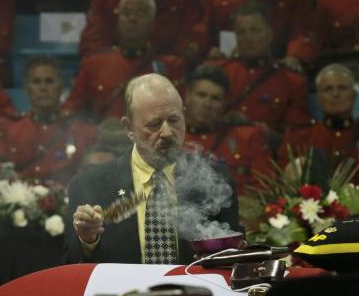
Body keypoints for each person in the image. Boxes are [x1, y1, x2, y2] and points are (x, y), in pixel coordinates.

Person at [69, 73, 242, 264]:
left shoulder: (215, 179)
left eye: (174, 120)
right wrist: (87, 240)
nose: (167, 132)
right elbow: (70, 264)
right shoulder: (90, 184)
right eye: (154, 124)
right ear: (129, 128)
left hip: (196, 292)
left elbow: (231, 257)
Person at [64, 0, 185, 122]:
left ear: (153, 22)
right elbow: (71, 110)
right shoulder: (94, 65)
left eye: (140, 14)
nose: (132, 18)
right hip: (102, 138)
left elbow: (178, 116)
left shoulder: (169, 67)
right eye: (126, 13)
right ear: (118, 19)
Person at [280, 63, 359, 193]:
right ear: (318, 97)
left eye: (342, 88)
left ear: (353, 95)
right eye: (328, 89)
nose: (335, 94)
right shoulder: (298, 138)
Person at [0, 56, 97, 185]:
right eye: (36, 82)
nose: (43, 88)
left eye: (49, 81)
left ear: (61, 87)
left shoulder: (83, 132)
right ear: (26, 88)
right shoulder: (9, 131)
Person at [209, 1, 311, 133]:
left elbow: (298, 136)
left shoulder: (292, 82)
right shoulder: (217, 71)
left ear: (270, 34)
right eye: (241, 32)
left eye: (255, 31)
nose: (248, 38)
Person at [183, 64, 272, 196]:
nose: (207, 104)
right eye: (201, 95)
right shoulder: (168, 137)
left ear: (224, 104)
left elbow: (264, 189)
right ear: (187, 97)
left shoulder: (248, 137)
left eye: (215, 98)